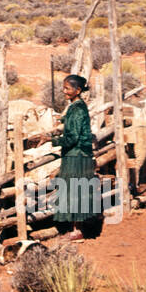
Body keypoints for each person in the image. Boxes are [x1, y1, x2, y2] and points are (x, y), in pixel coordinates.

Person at [55, 74, 100, 241]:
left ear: (78, 90)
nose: (64, 91)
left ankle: (78, 231)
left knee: (75, 190)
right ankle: (76, 228)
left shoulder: (78, 108)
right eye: (64, 87)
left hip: (77, 156)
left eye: (67, 88)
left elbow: (72, 137)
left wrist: (52, 140)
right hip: (76, 154)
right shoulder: (76, 107)